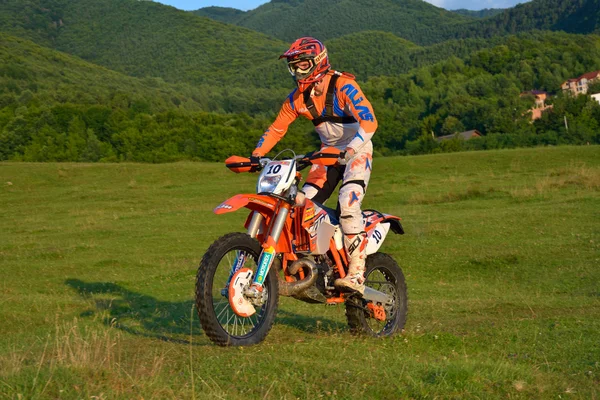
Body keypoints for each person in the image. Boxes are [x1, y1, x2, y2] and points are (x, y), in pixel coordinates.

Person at [251, 37, 377, 294]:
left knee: (348, 202)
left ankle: (356, 272)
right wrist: (256, 155)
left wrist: (352, 148)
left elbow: (370, 122)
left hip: (357, 150)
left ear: (318, 63)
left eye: (303, 65)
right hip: (326, 155)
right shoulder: (296, 99)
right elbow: (277, 129)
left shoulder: (344, 85)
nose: (298, 72)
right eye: (294, 67)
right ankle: (319, 256)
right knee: (301, 202)